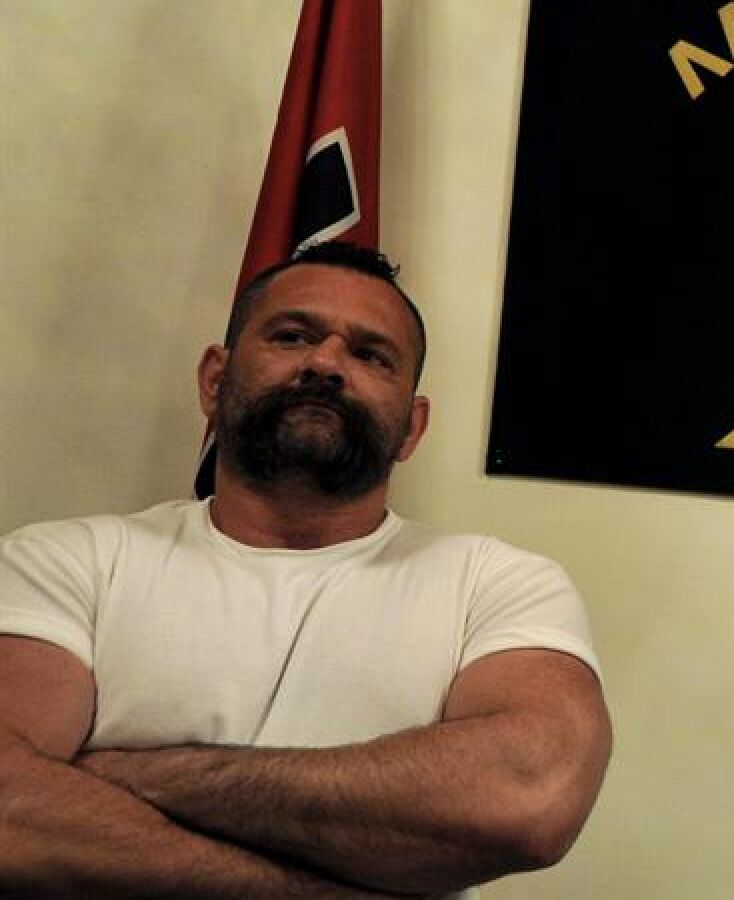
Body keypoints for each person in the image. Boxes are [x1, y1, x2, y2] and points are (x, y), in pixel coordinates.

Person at [0, 242, 612, 899]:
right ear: (214, 380)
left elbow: (531, 795)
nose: (325, 364)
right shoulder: (64, 561)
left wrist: (135, 776)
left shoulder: (496, 584)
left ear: (413, 427)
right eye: (292, 336)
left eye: (371, 355)